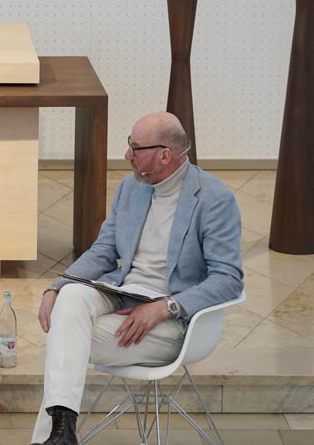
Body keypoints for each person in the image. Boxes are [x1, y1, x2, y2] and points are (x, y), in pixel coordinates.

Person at [31, 112, 243, 445]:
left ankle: (57, 435)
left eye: (135, 148)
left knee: (65, 337)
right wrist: (56, 286)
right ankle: (63, 430)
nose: (127, 155)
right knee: (69, 300)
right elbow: (103, 251)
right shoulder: (132, 188)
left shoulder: (214, 199)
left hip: (171, 323)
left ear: (165, 155)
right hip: (123, 293)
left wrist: (166, 307)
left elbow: (229, 279)